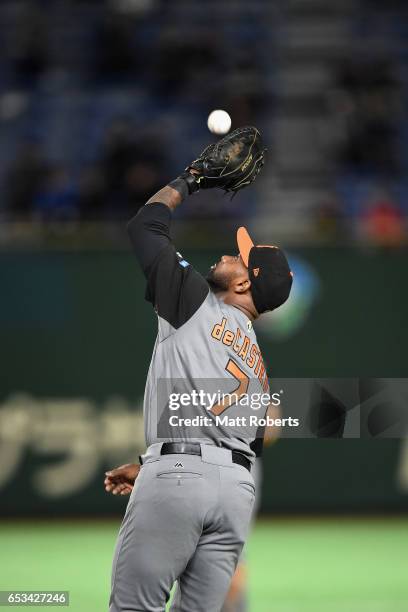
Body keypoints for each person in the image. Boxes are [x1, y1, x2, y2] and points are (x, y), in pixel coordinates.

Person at [104, 130, 293, 612]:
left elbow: (145, 226)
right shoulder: (254, 356)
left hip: (178, 479)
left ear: (246, 282)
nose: (229, 255)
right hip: (235, 495)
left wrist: (191, 179)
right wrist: (150, 464)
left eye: (239, 258)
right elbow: (243, 438)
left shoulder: (195, 301)